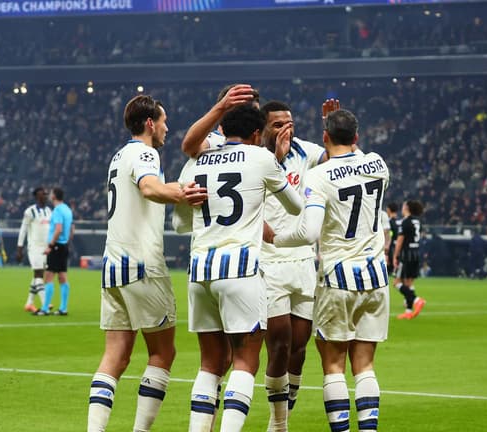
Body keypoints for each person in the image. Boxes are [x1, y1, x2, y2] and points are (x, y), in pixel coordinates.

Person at [173, 104, 302, 432]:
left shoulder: (199, 160)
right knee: (245, 362)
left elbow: (179, 222)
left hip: (200, 270)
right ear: (257, 133)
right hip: (241, 270)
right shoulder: (261, 158)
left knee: (210, 364)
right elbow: (295, 205)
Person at [264, 109, 390, 432]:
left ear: (324, 138)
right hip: (376, 278)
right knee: (365, 366)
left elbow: (308, 233)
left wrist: (276, 237)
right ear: (357, 138)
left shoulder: (319, 177)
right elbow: (356, 157)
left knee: (333, 366)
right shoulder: (379, 164)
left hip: (338, 279)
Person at [87, 95, 207, 432]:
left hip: (113, 267)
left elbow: (152, 187)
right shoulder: (145, 152)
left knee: (116, 357)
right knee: (163, 354)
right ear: (150, 123)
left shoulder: (118, 155)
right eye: (164, 121)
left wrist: (178, 186)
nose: (168, 128)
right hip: (143, 265)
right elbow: (150, 188)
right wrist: (184, 195)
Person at [258, 99, 329, 431]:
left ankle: (283, 415)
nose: (286, 128)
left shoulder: (306, 151)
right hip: (268, 262)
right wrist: (276, 156)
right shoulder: (256, 156)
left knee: (300, 348)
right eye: (277, 124)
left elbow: (334, 160)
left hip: (303, 261)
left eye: (290, 122)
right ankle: (278, 425)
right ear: (263, 127)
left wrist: (330, 125)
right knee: (280, 343)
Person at [34, 187, 74, 316]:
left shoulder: (57, 210)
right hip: (64, 246)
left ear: (54, 196)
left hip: (56, 246)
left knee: (49, 276)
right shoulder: (67, 210)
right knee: (62, 276)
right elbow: (72, 228)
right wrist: (67, 242)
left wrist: (50, 246)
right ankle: (63, 308)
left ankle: (45, 308)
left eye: (51, 193)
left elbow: (58, 229)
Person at [16, 187, 52, 313]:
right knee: (38, 274)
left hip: (46, 247)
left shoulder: (48, 210)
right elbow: (23, 230)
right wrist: (19, 248)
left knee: (39, 275)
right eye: (43, 194)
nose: (46, 195)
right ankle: (45, 303)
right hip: (34, 247)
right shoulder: (30, 211)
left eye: (46, 193)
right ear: (37, 196)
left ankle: (29, 303)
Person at [393, 201, 427, 320]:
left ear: (407, 208)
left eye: (403, 206)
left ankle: (417, 300)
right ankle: (408, 311)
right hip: (416, 253)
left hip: (406, 254)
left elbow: (400, 240)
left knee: (396, 283)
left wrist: (395, 256)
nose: (402, 208)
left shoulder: (405, 221)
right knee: (409, 283)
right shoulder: (418, 221)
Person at [382, 203, 400, 275]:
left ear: (389, 210)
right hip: (398, 243)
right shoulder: (399, 221)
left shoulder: (388, 222)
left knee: (389, 260)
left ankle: (391, 271)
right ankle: (395, 271)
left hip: (391, 244)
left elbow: (388, 233)